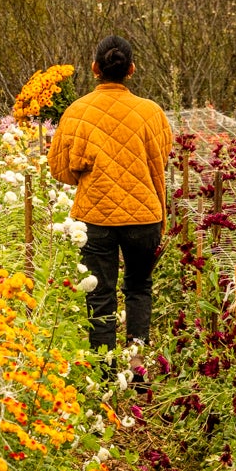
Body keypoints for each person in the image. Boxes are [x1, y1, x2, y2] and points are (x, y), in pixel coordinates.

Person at [48, 35, 174, 352]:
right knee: (139, 286)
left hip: (94, 218)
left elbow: (60, 170)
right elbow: (164, 154)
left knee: (100, 294)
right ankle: (138, 365)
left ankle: (105, 374)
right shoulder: (152, 112)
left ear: (94, 68)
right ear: (131, 69)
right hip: (144, 215)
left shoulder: (77, 112)